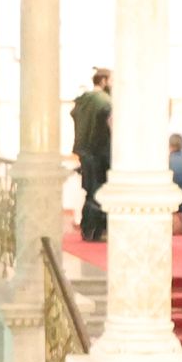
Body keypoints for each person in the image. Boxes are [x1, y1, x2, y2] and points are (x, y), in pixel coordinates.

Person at [71, 66, 114, 243]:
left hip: (84, 153)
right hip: (101, 153)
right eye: (111, 81)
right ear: (103, 81)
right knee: (100, 191)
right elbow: (112, 125)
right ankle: (98, 230)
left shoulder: (82, 100)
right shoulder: (105, 101)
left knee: (90, 192)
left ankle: (88, 229)